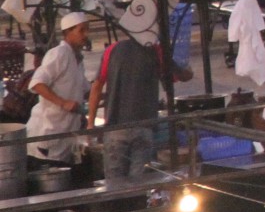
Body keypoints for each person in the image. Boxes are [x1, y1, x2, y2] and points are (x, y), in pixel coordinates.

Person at [91, 27, 166, 187]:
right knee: (140, 185)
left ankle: (119, 210)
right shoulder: (155, 51)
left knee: (114, 185)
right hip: (143, 127)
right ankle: (138, 210)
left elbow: (97, 86)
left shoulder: (112, 50)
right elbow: (179, 76)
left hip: (115, 129)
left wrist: (91, 123)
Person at [25, 13, 92, 164]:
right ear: (68, 32)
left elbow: (87, 91)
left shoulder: (78, 60)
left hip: (64, 136)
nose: (86, 34)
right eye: (81, 30)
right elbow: (37, 83)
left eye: (87, 30)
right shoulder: (58, 54)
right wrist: (63, 103)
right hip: (47, 133)